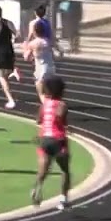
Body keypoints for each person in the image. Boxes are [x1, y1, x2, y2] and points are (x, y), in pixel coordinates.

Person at [31, 75, 72, 211]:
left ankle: (37, 186)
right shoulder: (62, 105)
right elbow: (61, 118)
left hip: (44, 139)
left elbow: (38, 120)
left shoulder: (44, 105)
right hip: (58, 140)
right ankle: (64, 199)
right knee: (64, 170)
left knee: (43, 169)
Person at [25, 20, 58, 102]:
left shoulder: (33, 43)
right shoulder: (48, 41)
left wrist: (25, 48)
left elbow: (26, 57)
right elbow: (59, 51)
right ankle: (52, 104)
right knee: (48, 90)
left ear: (34, 31)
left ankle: (48, 106)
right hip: (51, 67)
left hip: (41, 69)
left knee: (41, 93)